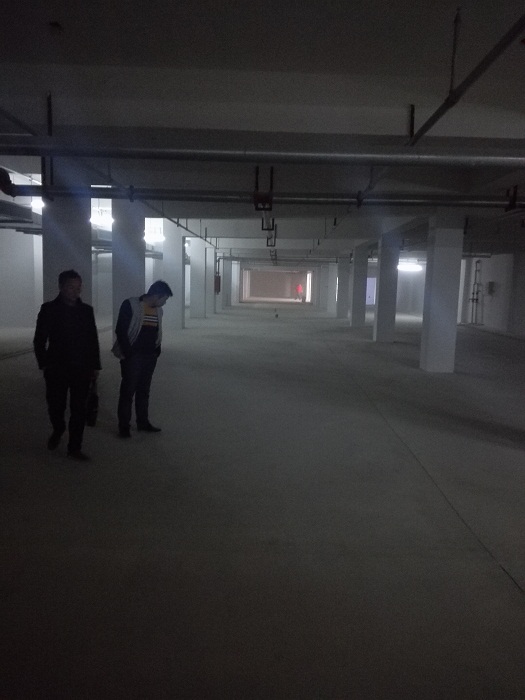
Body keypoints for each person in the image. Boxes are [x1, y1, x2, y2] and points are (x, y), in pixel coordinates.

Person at [33, 269, 101, 461]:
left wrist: (95, 366)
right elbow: (39, 340)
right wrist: (44, 364)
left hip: (82, 367)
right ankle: (58, 428)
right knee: (56, 406)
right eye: (71, 287)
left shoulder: (86, 311)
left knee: (79, 409)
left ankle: (74, 447)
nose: (76, 291)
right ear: (61, 287)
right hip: (56, 367)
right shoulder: (49, 309)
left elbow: (93, 340)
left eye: (78, 287)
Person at [113, 280, 173, 438]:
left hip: (150, 356)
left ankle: (143, 422)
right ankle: (124, 426)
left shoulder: (158, 310)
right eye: (164, 299)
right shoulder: (131, 305)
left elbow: (157, 331)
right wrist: (129, 353)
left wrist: (156, 350)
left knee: (144, 391)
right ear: (157, 295)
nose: (164, 303)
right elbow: (120, 330)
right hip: (133, 357)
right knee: (128, 392)